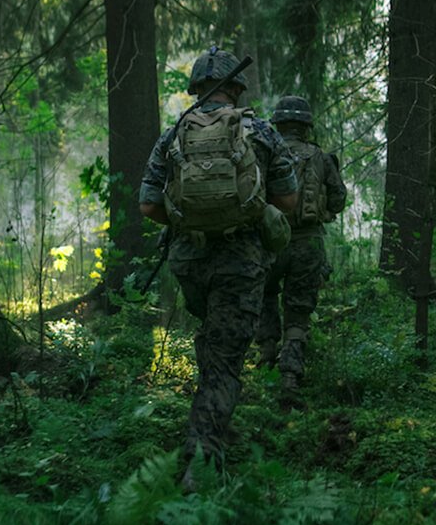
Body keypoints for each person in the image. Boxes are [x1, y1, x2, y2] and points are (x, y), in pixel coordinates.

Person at [139, 48, 298, 475]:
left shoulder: (173, 135)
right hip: (240, 262)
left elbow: (148, 204)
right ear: (235, 88)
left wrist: (188, 217)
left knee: (213, 343)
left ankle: (213, 424)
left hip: (189, 260)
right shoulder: (261, 131)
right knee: (225, 361)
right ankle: (200, 460)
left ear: (195, 89)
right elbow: (288, 200)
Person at [255, 95, 347, 403]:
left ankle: (266, 357)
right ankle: (290, 377)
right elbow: (337, 199)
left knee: (265, 297)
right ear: (306, 127)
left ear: (278, 125)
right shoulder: (321, 157)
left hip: (268, 241)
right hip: (307, 242)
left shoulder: (263, 153)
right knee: (298, 312)